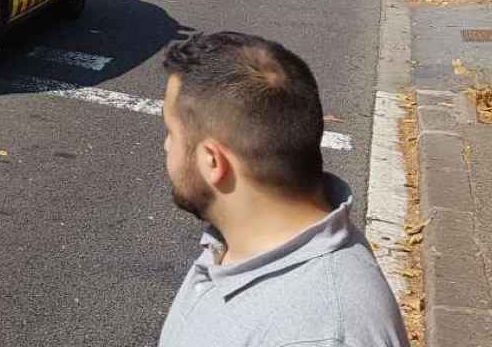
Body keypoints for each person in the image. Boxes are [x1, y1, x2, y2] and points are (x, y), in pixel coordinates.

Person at [158, 31, 408, 347]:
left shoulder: (319, 334)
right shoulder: (240, 243)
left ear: (212, 162)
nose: (166, 146)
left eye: (171, 133)